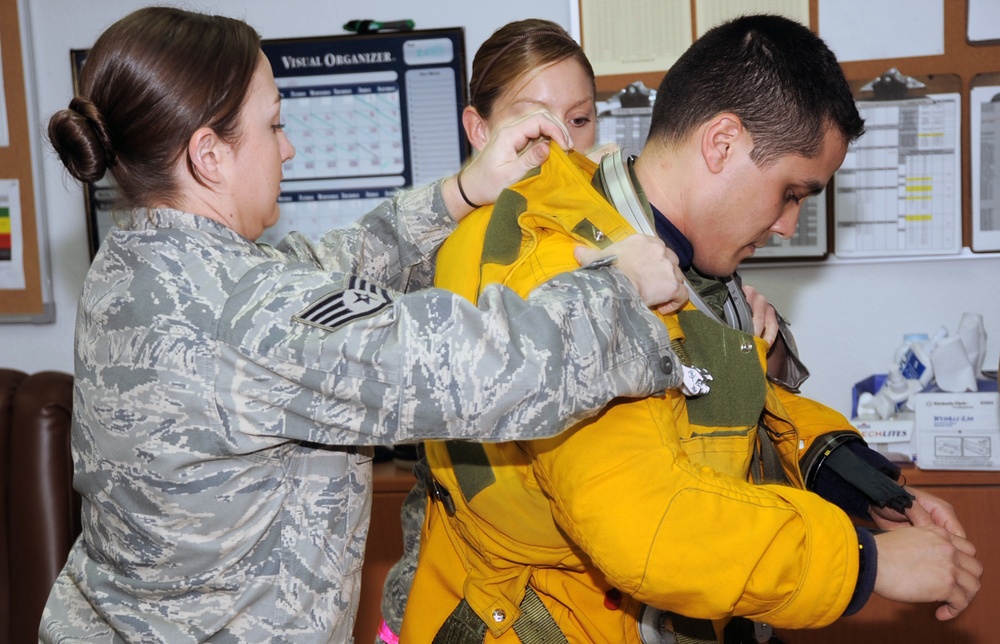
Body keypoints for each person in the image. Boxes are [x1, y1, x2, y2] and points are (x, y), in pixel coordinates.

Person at [38, 7, 694, 642]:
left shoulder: (135, 262)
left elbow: (324, 270)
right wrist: (621, 288)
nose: (289, 148)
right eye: (273, 126)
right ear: (209, 156)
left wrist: (463, 190)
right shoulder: (243, 315)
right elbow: (482, 371)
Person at [401, 14, 982, 643]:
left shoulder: (673, 246)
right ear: (722, 142)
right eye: (791, 191)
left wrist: (859, 484)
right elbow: (646, 525)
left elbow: (724, 407)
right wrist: (865, 564)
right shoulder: (560, 258)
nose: (788, 224)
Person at [375, 19, 802, 644]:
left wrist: (745, 335)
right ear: (478, 129)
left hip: (604, 589)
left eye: (579, 120)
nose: (559, 144)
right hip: (471, 584)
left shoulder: (620, 221)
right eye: (534, 121)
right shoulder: (454, 244)